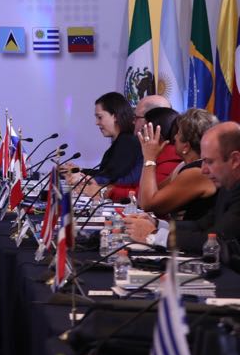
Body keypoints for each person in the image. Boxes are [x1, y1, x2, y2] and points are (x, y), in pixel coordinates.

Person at [126, 121, 240, 255]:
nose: (203, 170)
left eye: (209, 162)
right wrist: (156, 223)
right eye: (203, 161)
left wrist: (154, 235)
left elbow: (217, 242)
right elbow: (201, 225)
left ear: (235, 160)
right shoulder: (228, 185)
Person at [136, 108, 217, 220]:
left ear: (186, 147)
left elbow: (148, 205)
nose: (174, 137)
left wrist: (149, 158)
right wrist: (149, 158)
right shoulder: (183, 165)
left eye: (178, 133)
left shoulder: (198, 172)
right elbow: (143, 198)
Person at [64, 91, 142, 196]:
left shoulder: (127, 141)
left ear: (115, 116)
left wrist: (81, 177)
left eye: (100, 117)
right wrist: (78, 171)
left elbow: (112, 178)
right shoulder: (122, 140)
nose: (96, 122)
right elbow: (107, 172)